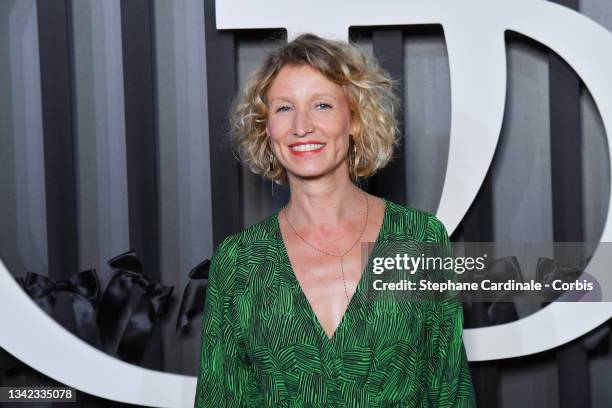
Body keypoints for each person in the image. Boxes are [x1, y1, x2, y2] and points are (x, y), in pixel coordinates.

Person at [194, 33, 476, 407]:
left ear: (355, 120)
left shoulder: (418, 239)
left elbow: (450, 391)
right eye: (283, 109)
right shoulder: (239, 261)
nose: (301, 126)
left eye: (322, 105)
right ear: (266, 128)